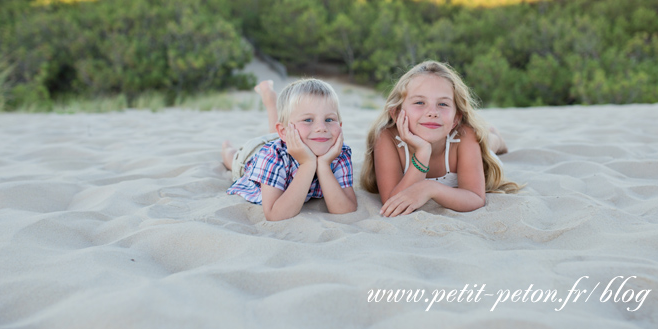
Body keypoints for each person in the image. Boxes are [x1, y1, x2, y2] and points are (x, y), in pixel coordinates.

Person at [360, 60, 521, 217]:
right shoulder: (387, 137)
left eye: (443, 104)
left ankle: (494, 137)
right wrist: (422, 152)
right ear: (396, 113)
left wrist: (430, 188)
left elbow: (476, 198)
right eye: (419, 102)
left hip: (464, 145)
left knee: (486, 145)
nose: (432, 112)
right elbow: (392, 202)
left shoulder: (464, 135)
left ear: (456, 118)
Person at [223, 79, 357, 221]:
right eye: (308, 120)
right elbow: (275, 214)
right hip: (252, 154)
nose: (322, 127)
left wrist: (323, 165)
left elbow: (345, 208)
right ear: (283, 132)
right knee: (233, 159)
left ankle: (270, 98)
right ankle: (226, 146)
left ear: (340, 125)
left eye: (329, 120)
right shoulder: (272, 156)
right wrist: (307, 164)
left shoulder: (339, 152)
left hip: (291, 137)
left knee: (280, 129)